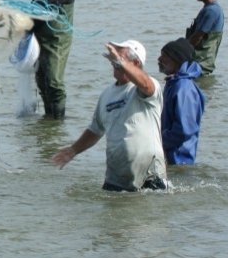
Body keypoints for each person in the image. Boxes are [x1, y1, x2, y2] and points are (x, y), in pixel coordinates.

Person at [51, 40, 168, 192]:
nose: (114, 61)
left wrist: (121, 62)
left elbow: (146, 85)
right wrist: (73, 150)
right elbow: (95, 130)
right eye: (114, 59)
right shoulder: (107, 94)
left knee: (151, 205)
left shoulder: (148, 86)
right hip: (117, 174)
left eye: (120, 58)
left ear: (136, 63)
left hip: (150, 172)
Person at [31, 0, 75, 120]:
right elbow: (32, 9)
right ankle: (48, 119)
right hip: (41, 41)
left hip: (57, 41)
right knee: (42, 81)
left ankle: (58, 121)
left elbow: (44, 11)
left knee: (54, 82)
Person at [158, 38, 205, 165]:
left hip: (179, 160)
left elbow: (184, 130)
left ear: (177, 59)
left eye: (164, 56)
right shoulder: (173, 83)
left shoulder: (184, 88)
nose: (159, 59)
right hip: (169, 156)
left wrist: (157, 141)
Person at [185, 0, 224, 75]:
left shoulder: (212, 11)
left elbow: (197, 37)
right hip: (198, 63)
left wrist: (181, 52)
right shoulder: (209, 9)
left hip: (200, 64)